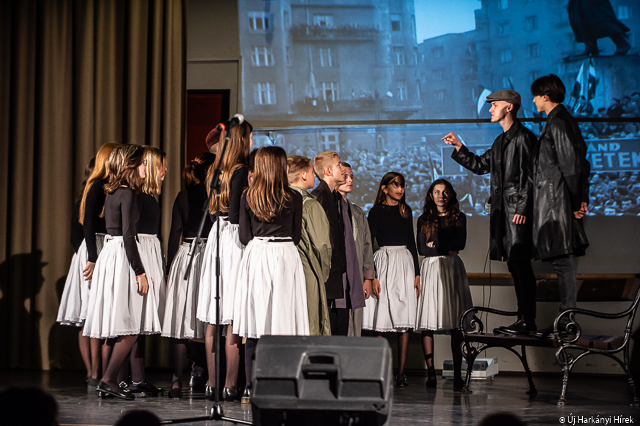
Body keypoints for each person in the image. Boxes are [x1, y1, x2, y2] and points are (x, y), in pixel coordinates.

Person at [443, 89, 538, 336]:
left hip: (516, 213)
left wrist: (522, 208)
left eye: (494, 105)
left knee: (520, 265)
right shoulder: (501, 141)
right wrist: (459, 146)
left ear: (509, 107)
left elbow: (531, 177)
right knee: (515, 267)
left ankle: (528, 320)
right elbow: (480, 165)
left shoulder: (524, 138)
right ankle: (524, 320)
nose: (490, 109)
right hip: (503, 214)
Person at [83, 144, 161, 400]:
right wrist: (140, 272)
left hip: (110, 254)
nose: (145, 168)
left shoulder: (112, 192)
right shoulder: (127, 194)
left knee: (116, 325)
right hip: (122, 257)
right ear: (131, 167)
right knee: (130, 326)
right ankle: (108, 380)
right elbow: (129, 235)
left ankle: (110, 381)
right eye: (141, 164)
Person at [233, 146, 309, 403]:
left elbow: (244, 237)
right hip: (285, 256)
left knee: (255, 324)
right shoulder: (293, 197)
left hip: (258, 256)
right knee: (284, 321)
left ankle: (250, 387)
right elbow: (296, 236)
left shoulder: (248, 196)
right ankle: (283, 383)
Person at [530, 74, 590, 338]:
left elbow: (572, 166)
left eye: (535, 95)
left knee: (563, 264)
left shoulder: (558, 122)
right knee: (562, 263)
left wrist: (577, 201)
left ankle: (567, 324)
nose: (532, 100)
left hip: (558, 203)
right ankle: (566, 322)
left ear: (545, 96)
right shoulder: (558, 121)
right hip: (559, 201)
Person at [198, 120, 252, 401]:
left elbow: (214, 212)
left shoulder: (214, 170)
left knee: (214, 318)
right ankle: (230, 384)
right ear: (243, 140)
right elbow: (235, 215)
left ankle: (211, 382)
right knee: (231, 317)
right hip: (233, 239)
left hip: (216, 235)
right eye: (251, 137)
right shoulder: (241, 170)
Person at [163, 152, 216, 398]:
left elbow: (175, 234)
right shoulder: (216, 196)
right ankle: (208, 378)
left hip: (186, 256)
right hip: (209, 256)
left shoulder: (183, 195)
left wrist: (169, 267)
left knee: (183, 320)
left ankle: (177, 380)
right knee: (209, 322)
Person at [117, 146, 167, 396]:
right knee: (134, 317)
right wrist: (140, 268)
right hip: (141, 254)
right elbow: (130, 233)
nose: (164, 171)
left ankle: (138, 377)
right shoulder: (136, 196)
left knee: (143, 319)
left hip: (150, 252)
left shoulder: (148, 197)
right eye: (161, 166)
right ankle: (120, 378)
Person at [415, 179, 472, 391]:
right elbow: (422, 249)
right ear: (431, 195)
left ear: (451, 195)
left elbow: (460, 245)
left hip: (452, 269)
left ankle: (458, 375)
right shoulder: (424, 219)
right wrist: (441, 247)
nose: (441, 195)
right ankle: (431, 373)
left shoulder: (459, 217)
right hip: (431, 269)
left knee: (456, 322)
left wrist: (436, 245)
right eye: (437, 192)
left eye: (445, 192)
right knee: (428, 320)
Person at [365, 172, 420, 387]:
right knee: (382, 319)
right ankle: (382, 371)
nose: (400, 189)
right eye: (395, 185)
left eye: (402, 185)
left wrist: (417, 273)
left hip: (405, 263)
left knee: (403, 318)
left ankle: (401, 372)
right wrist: (374, 276)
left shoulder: (407, 211)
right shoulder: (376, 212)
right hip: (385, 263)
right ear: (385, 188)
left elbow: (412, 243)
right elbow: (369, 244)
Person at [76, 142, 119, 384]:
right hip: (96, 247)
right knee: (92, 311)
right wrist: (92, 257)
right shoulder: (96, 185)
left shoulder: (110, 186)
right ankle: (95, 372)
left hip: (106, 245)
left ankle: (104, 372)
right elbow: (88, 224)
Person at [56, 158, 95, 385]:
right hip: (87, 260)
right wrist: (88, 256)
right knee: (84, 316)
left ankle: (97, 371)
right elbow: (74, 237)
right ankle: (91, 371)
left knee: (95, 317)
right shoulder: (82, 202)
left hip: (99, 255)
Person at [287, 155, 332, 336]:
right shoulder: (309, 204)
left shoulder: (279, 200)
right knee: (309, 325)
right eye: (313, 172)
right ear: (303, 175)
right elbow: (321, 245)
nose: (315, 176)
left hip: (285, 271)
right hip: (307, 270)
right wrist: (323, 272)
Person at [311, 151, 350, 335]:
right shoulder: (318, 197)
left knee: (338, 325)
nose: (343, 169)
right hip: (324, 272)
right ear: (328, 170)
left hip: (335, 271)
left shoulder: (335, 197)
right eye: (339, 165)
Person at [337, 162, 375, 336]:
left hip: (357, 275)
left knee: (355, 321)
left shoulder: (358, 213)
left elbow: (367, 246)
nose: (350, 180)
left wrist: (368, 277)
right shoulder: (329, 209)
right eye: (345, 176)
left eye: (351, 176)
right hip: (338, 276)